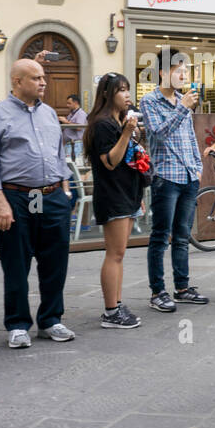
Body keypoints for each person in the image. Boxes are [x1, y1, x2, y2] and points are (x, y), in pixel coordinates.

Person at [0, 58, 75, 347]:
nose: (43, 82)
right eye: (36, 77)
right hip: (16, 197)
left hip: (51, 196)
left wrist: (64, 188)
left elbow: (59, 151)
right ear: (17, 82)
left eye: (43, 77)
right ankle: (17, 324)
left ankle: (51, 320)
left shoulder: (49, 113)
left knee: (55, 262)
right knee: (16, 263)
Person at [141, 57, 209, 312]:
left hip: (189, 176)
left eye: (185, 71)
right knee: (160, 236)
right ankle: (157, 292)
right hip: (166, 177)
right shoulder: (150, 101)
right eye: (178, 71)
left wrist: (198, 167)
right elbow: (158, 133)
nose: (183, 75)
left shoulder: (182, 100)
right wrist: (182, 107)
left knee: (182, 236)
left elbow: (190, 137)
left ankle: (182, 288)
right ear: (162, 72)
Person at [84, 73, 149, 329]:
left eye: (128, 90)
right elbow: (110, 161)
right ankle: (111, 311)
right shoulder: (102, 124)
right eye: (121, 90)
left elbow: (131, 161)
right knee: (115, 253)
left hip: (127, 193)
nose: (127, 95)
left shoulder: (119, 121)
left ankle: (117, 304)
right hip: (113, 195)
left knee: (120, 254)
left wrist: (138, 195)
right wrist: (127, 133)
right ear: (107, 94)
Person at [59, 94, 87, 162]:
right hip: (69, 145)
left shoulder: (81, 113)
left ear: (76, 103)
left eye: (69, 103)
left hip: (76, 145)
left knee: (75, 165)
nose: (67, 105)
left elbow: (79, 127)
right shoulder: (72, 114)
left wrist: (65, 121)